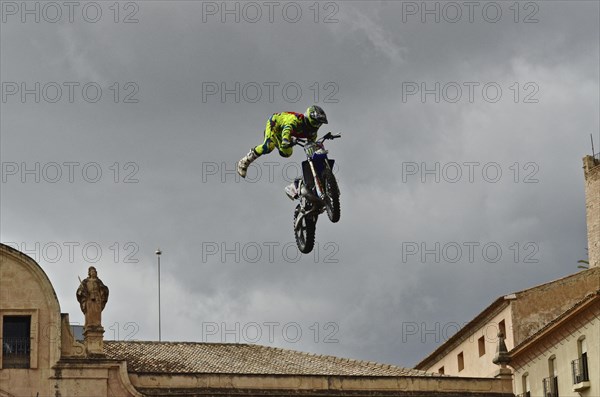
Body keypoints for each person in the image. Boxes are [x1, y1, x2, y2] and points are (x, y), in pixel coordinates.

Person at [237, 106, 328, 185]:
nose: (318, 125)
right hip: (275, 123)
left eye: (320, 123)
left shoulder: (313, 132)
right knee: (268, 147)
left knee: (286, 153)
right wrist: (285, 140)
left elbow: (311, 144)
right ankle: (244, 161)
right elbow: (287, 128)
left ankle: (277, 140)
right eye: (317, 122)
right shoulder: (296, 120)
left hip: (285, 133)